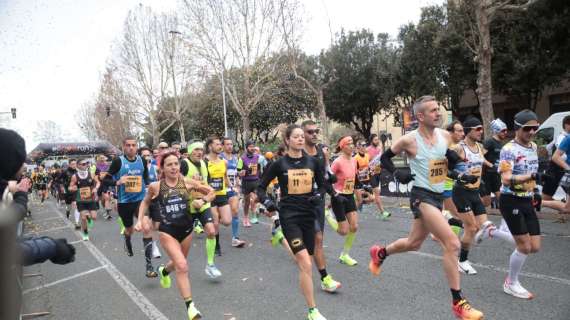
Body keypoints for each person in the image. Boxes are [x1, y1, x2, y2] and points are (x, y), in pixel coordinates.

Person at [369, 96, 483, 320]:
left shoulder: (444, 136)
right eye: (433, 110)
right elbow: (384, 158)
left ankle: (380, 252)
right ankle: (458, 302)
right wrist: (395, 172)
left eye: (438, 109)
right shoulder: (408, 140)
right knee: (451, 242)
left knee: (414, 243)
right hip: (421, 197)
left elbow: (444, 160)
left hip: (438, 195)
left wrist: (461, 173)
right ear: (420, 116)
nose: (438, 113)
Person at [255, 124, 328, 320]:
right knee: (305, 263)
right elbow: (260, 188)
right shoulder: (279, 164)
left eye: (301, 136)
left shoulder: (313, 163)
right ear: (287, 141)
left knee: (308, 260)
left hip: (308, 215)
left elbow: (323, 186)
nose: (300, 139)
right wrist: (268, 202)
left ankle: (280, 238)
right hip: (289, 216)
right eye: (295, 137)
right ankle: (312, 311)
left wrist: (318, 196)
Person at [135, 151, 211, 319]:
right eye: (169, 164)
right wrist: (140, 219)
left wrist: (203, 201)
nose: (174, 167)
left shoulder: (187, 182)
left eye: (176, 163)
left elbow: (211, 191)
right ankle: (191, 307)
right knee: (182, 266)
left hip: (186, 230)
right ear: (162, 168)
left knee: (178, 263)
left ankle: (163, 271)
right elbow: (145, 201)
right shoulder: (156, 186)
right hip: (167, 231)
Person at [452, 117, 513, 275]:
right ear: (468, 130)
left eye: (481, 129)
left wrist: (496, 167)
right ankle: (462, 260)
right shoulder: (459, 148)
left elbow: (482, 160)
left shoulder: (479, 147)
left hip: (475, 191)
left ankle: (453, 221)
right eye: (478, 129)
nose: (481, 132)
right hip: (461, 191)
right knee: (471, 229)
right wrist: (461, 176)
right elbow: (447, 169)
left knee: (481, 226)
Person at [497, 109, 544, 299]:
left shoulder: (532, 146)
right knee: (524, 247)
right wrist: (530, 177)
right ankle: (511, 282)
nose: (532, 132)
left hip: (527, 198)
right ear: (517, 129)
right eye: (527, 129)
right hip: (511, 200)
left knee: (534, 246)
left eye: (535, 128)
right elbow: (506, 179)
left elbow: (532, 173)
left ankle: (492, 231)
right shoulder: (508, 150)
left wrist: (535, 191)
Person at [103, 137, 156, 278]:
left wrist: (151, 191)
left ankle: (149, 265)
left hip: (140, 201)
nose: (131, 148)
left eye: (133, 145)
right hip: (124, 203)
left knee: (146, 227)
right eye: (128, 145)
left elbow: (146, 180)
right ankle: (127, 239)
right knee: (129, 230)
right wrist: (118, 181)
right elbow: (105, 179)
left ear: (137, 146)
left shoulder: (142, 161)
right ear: (123, 147)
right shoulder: (118, 161)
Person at [302, 120, 341, 293]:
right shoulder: (297, 153)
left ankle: (322, 277)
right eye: (310, 132)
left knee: (318, 240)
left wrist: (333, 193)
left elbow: (323, 175)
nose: (314, 134)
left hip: (318, 200)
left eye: (316, 131)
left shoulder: (320, 151)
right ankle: (324, 277)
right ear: (302, 134)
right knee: (315, 238)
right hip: (301, 203)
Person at [182, 142, 221, 279]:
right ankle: (173, 266)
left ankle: (210, 264)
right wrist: (192, 190)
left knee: (211, 231)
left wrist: (205, 198)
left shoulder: (205, 164)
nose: (199, 152)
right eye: (196, 150)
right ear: (190, 151)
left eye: (201, 150)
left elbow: (207, 184)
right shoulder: (184, 164)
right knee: (184, 240)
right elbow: (176, 185)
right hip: (187, 206)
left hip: (203, 204)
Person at [326, 135, 360, 267]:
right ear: (342, 146)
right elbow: (327, 178)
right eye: (348, 143)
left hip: (349, 195)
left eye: (352, 143)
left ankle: (345, 255)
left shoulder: (354, 160)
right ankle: (327, 214)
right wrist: (333, 194)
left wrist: (359, 193)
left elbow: (354, 179)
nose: (352, 145)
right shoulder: (337, 162)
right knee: (343, 231)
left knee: (354, 227)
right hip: (338, 197)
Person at [205, 136, 233, 256]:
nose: (220, 146)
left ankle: (211, 220)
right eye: (217, 144)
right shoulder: (204, 162)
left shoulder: (224, 162)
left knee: (227, 221)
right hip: (210, 196)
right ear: (210, 146)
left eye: (220, 144)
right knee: (215, 222)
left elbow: (225, 177)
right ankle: (217, 246)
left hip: (222, 194)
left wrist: (232, 187)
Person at [220, 137, 246, 247]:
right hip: (220, 190)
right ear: (222, 146)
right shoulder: (219, 158)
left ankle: (235, 238)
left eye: (231, 144)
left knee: (235, 211)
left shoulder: (235, 158)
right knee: (226, 221)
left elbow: (234, 174)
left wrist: (238, 179)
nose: (230, 146)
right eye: (227, 144)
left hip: (232, 189)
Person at [69, 159, 100, 241]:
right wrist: (73, 188)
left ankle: (89, 219)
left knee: (94, 217)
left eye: (86, 163)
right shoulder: (75, 176)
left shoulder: (91, 174)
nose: (85, 165)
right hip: (80, 200)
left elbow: (98, 182)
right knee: (83, 217)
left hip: (91, 199)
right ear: (78, 165)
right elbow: (70, 187)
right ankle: (85, 233)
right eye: (83, 164)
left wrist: (95, 189)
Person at [542, 115, 570, 202]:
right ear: (566, 125)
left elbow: (548, 147)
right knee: (545, 197)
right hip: (555, 171)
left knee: (546, 197)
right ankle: (563, 205)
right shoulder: (563, 137)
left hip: (559, 170)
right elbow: (559, 155)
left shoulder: (560, 136)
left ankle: (564, 206)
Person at [481, 118, 508, 208]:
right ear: (496, 131)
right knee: (486, 203)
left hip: (496, 175)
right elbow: (480, 156)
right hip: (487, 175)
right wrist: (490, 165)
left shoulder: (500, 143)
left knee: (502, 199)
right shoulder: (489, 142)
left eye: (506, 130)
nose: (505, 132)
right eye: (503, 131)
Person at [237, 141, 262, 226]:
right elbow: (238, 171)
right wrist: (241, 173)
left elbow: (263, 165)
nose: (252, 148)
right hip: (246, 182)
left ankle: (254, 215)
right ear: (247, 148)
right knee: (247, 201)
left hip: (255, 181)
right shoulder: (242, 158)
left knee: (255, 198)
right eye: (250, 146)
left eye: (253, 146)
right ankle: (246, 217)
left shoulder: (257, 157)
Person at [367, 134, 390, 219]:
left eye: (378, 139)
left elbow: (382, 160)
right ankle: (383, 212)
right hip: (371, 173)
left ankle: (361, 201)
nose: (377, 141)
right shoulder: (368, 150)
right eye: (375, 140)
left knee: (375, 195)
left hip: (378, 172)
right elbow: (365, 162)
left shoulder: (379, 149)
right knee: (377, 193)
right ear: (371, 141)